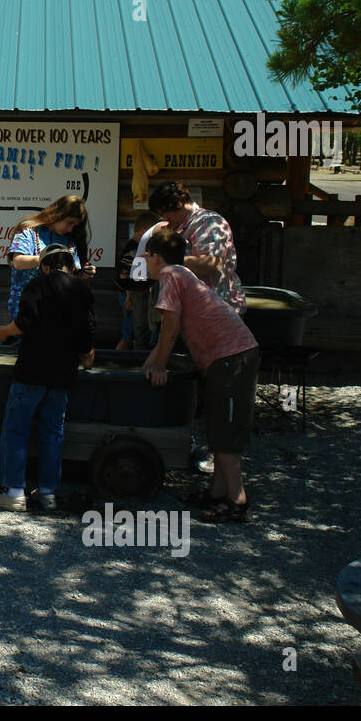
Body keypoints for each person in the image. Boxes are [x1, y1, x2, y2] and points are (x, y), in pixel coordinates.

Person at [140, 229, 259, 523]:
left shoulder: (170, 275)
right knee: (218, 425)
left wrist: (158, 366)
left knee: (226, 430)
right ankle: (217, 492)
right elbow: (166, 336)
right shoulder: (181, 273)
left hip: (232, 356)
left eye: (147, 257)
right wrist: (146, 364)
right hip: (227, 357)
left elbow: (170, 329)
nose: (147, 262)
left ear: (155, 256)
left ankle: (237, 501)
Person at [0, 247, 95, 511]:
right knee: (52, 434)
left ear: (45, 266)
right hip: (62, 375)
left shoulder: (38, 284)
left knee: (16, 430)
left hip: (32, 371)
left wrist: (2, 331)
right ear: (70, 266)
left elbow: (24, 322)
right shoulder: (82, 291)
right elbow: (87, 337)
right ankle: (47, 493)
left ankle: (14, 494)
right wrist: (87, 359)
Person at [146, 181, 246, 314]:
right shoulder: (179, 227)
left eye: (166, 213)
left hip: (217, 311)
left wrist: (168, 260)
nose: (164, 218)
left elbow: (212, 263)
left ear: (180, 203)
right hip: (196, 310)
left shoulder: (207, 222)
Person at [6, 196, 96, 321]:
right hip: (26, 310)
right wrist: (47, 257)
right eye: (70, 222)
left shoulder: (70, 240)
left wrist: (83, 275)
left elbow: (70, 278)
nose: (71, 229)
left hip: (58, 313)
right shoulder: (29, 231)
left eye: (75, 225)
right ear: (59, 215)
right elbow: (18, 262)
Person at [114, 212, 159, 349]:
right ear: (144, 232)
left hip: (134, 291)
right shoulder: (133, 248)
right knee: (129, 333)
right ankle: (117, 361)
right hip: (130, 293)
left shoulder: (135, 246)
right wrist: (129, 296)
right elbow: (124, 272)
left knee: (135, 328)